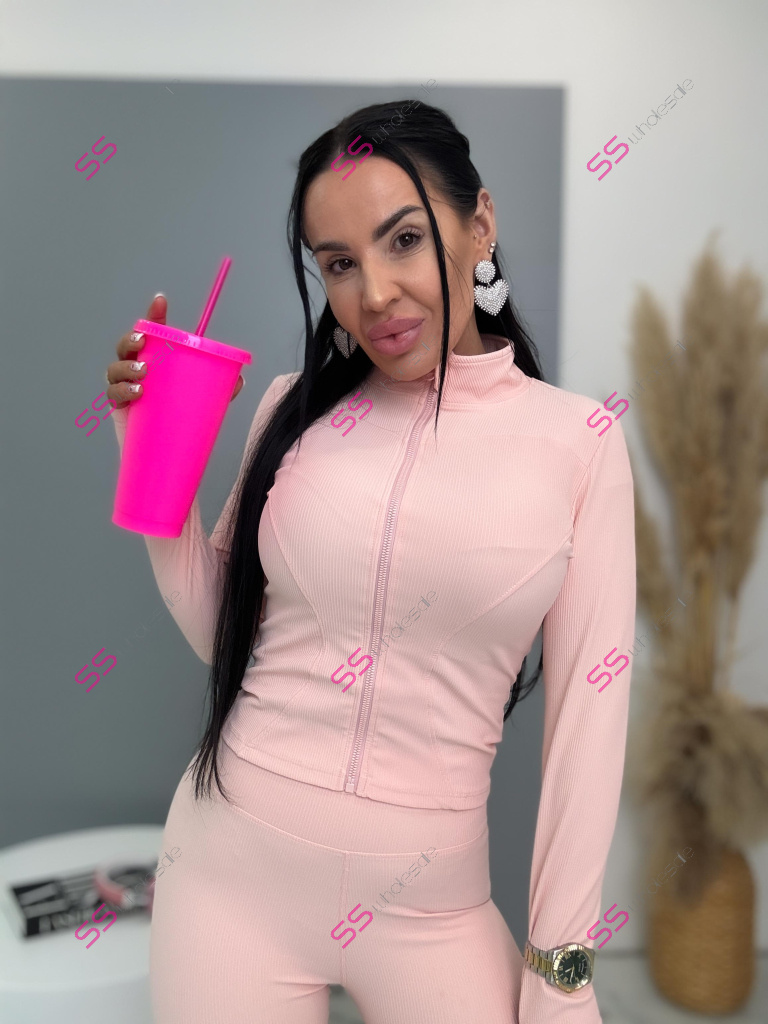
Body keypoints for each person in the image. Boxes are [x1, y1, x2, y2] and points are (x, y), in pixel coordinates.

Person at [104, 99, 635, 1024]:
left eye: (404, 240)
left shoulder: (578, 444)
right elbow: (225, 637)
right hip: (229, 877)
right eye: (340, 264)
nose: (376, 294)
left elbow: (588, 731)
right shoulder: (292, 411)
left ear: (480, 225)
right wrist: (149, 447)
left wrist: (561, 973)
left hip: (429, 910)